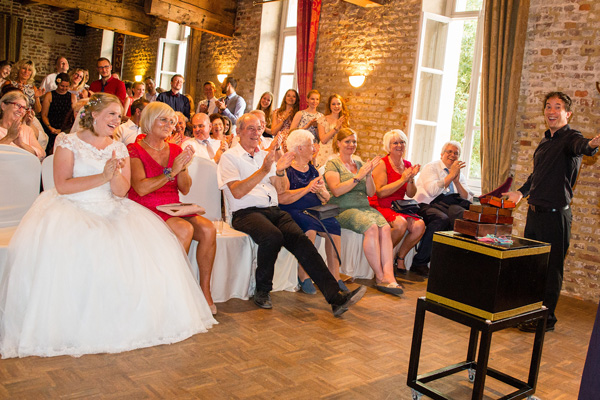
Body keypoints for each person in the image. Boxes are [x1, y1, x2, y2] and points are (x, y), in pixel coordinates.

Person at [0, 93, 216, 358]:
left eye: (119, 115)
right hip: (72, 207)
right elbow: (63, 185)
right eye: (112, 114)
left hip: (111, 206)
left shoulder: (120, 147)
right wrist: (102, 175)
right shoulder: (67, 141)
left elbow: (123, 190)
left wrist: (114, 177)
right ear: (93, 115)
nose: (117, 120)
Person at [217, 113, 366, 315]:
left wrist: (279, 171)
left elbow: (280, 189)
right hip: (245, 212)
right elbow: (237, 191)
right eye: (250, 128)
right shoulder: (229, 158)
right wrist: (265, 169)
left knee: (302, 240)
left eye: (259, 129)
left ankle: (335, 298)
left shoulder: (263, 156)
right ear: (239, 131)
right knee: (273, 236)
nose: (255, 133)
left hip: (272, 209)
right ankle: (262, 291)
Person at [503, 92, 600, 333]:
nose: (551, 111)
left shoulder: (571, 139)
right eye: (548, 107)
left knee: (551, 269)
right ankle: (529, 312)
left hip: (556, 217)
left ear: (568, 113)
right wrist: (520, 193)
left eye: (558, 107)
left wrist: (592, 144)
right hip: (535, 214)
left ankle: (546, 320)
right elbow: (538, 176)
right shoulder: (546, 141)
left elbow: (583, 146)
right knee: (532, 266)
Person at [128, 101, 218, 314]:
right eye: (164, 120)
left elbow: (185, 189)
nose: (170, 125)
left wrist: (183, 169)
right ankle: (172, 292)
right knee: (185, 229)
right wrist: (171, 170)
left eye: (172, 121)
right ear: (150, 121)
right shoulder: (134, 149)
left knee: (208, 229)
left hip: (172, 206)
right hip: (145, 205)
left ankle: (204, 290)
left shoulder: (176, 149)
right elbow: (140, 188)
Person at [324, 128, 402, 296]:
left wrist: (368, 176)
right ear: (338, 143)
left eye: (354, 142)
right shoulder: (333, 164)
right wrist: (358, 176)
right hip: (343, 208)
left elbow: (371, 192)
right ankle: (380, 277)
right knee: (372, 227)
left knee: (386, 228)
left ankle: (390, 276)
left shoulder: (359, 163)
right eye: (347, 141)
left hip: (364, 207)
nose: (351, 145)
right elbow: (336, 191)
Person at [278, 129, 348, 294]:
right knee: (309, 227)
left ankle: (335, 276)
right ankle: (303, 275)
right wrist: (307, 188)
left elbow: (325, 197)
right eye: (311, 146)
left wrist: (319, 191)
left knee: (334, 225)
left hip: (315, 209)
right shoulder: (287, 169)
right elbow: (283, 197)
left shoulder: (313, 170)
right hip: (294, 209)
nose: (314, 149)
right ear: (300, 149)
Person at [412, 141, 474, 277]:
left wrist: (456, 181)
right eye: (449, 152)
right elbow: (432, 191)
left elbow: (467, 198)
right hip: (426, 204)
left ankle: (450, 262)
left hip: (447, 205)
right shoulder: (431, 167)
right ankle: (420, 262)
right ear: (442, 154)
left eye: (456, 153)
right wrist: (451, 176)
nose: (452, 155)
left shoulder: (459, 174)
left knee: (462, 215)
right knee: (441, 219)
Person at [369, 130, 425, 273]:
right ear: (388, 146)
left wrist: (411, 179)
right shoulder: (382, 164)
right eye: (395, 143)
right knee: (401, 224)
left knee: (420, 226)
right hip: (382, 204)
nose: (399, 145)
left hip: (399, 206)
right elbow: (380, 192)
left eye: (402, 142)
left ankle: (400, 258)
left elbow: (411, 193)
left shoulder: (407, 164)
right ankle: (383, 258)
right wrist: (402, 180)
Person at [0, 91, 45, 159]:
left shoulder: (27, 130)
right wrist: (9, 137)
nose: (21, 111)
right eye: (18, 105)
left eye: (24, 108)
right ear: (3, 106)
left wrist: (21, 144)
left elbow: (41, 154)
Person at [41, 72, 76, 154]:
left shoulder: (72, 97)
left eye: (66, 86)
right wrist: (50, 128)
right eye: (62, 86)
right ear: (57, 83)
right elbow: (44, 115)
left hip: (65, 128)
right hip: (50, 126)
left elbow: (73, 116)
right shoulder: (49, 95)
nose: (64, 88)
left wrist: (64, 130)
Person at [316, 94, 349, 168]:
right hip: (324, 153)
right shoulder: (323, 119)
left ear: (341, 105)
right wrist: (336, 128)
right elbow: (323, 140)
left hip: (338, 153)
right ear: (329, 106)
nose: (336, 106)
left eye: (338, 104)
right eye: (333, 104)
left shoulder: (345, 121)